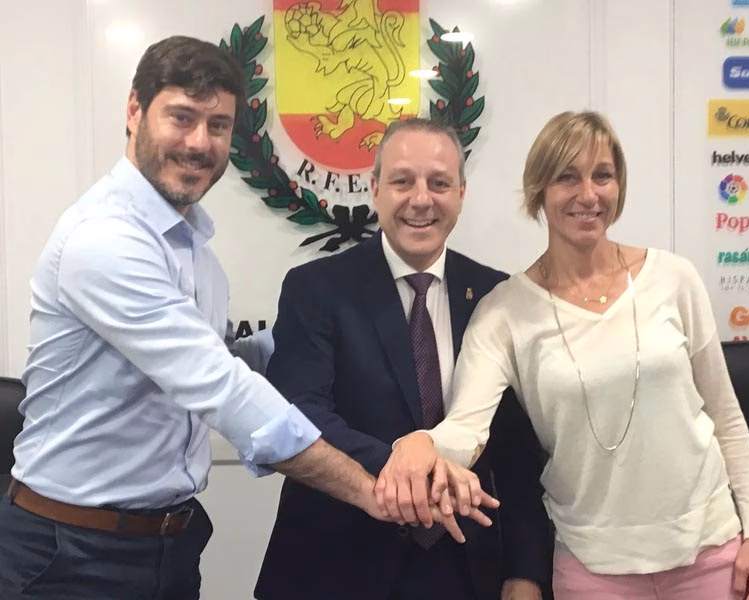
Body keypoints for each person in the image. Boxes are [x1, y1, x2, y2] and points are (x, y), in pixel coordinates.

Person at [0, 36, 475, 600]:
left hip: (167, 543)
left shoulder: (194, 250)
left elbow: (224, 358)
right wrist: (374, 489)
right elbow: (221, 389)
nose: (200, 142)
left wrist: (319, 325)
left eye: (218, 124)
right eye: (182, 117)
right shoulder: (104, 240)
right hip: (70, 554)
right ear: (134, 111)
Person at [376, 111, 749, 600]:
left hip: (710, 555)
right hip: (592, 569)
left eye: (602, 175)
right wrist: (420, 444)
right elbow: (466, 430)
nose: (588, 194)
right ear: (539, 190)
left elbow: (725, 417)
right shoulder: (503, 312)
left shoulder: (673, 278)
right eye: (567, 177)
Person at [255, 118, 554, 600]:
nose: (421, 199)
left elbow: (516, 451)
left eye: (439, 183)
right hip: (335, 568)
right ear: (375, 190)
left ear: (461, 194)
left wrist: (526, 571)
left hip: (464, 569)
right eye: (402, 181)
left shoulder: (496, 296)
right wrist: (412, 466)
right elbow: (302, 413)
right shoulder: (316, 289)